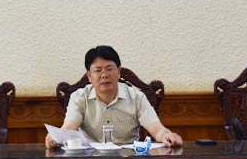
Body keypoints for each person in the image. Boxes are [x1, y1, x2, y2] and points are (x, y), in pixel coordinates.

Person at [45, 46, 183, 148]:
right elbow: (69, 127)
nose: (104, 75)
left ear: (118, 71)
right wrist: (56, 137)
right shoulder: (79, 97)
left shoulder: (136, 97)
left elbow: (157, 129)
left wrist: (167, 135)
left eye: (109, 69)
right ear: (89, 76)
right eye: (98, 70)